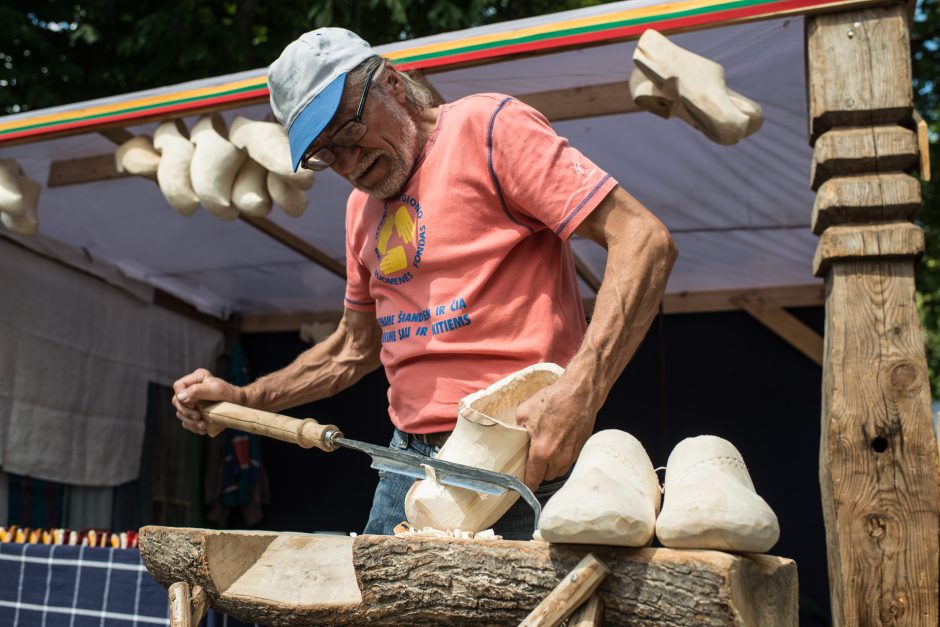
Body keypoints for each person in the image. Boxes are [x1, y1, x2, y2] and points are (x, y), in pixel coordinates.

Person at [172, 27, 677, 539]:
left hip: (520, 453)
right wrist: (244, 397)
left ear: (390, 82)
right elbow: (352, 348)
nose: (348, 164)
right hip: (406, 464)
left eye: (347, 131)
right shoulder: (358, 212)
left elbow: (643, 239)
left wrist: (580, 392)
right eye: (326, 154)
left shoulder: (489, 129)